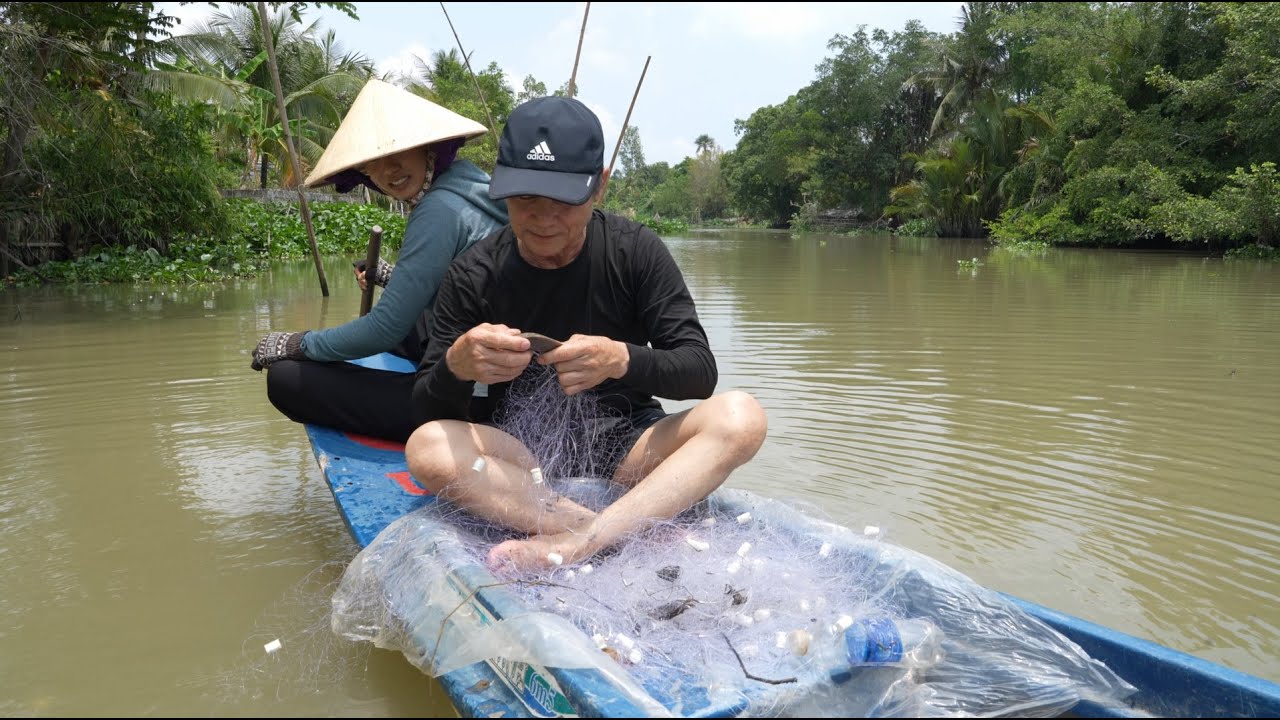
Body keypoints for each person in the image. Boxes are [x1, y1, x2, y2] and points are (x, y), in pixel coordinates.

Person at [405, 96, 768, 570]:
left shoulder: (635, 251)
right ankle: (597, 526)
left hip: (629, 449)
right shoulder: (473, 273)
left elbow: (699, 372)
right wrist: (458, 365)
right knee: (426, 447)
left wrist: (623, 359)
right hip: (518, 459)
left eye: (563, 200)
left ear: (599, 187)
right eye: (526, 198)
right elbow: (426, 411)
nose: (543, 217)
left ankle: (581, 543)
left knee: (742, 417)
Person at [249, 78, 508, 442]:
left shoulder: (438, 209)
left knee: (286, 379)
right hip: (491, 360)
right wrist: (392, 276)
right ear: (363, 175)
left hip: (479, 399)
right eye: (372, 165)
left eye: (396, 154)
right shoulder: (469, 182)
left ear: (426, 147)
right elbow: (463, 276)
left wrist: (297, 343)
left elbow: (385, 328)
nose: (388, 172)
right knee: (408, 320)